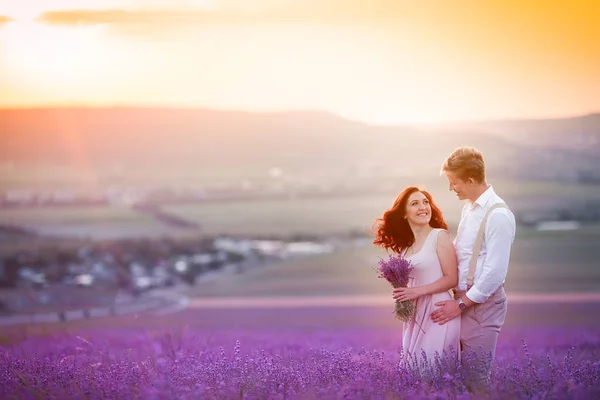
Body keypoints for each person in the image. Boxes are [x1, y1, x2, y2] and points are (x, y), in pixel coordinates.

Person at [431, 146, 516, 393]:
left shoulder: (498, 215)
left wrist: (459, 305)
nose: (450, 188)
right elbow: (461, 251)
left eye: (453, 182)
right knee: (452, 379)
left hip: (481, 306)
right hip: (461, 302)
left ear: (470, 180)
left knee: (476, 381)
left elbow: (495, 273)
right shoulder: (469, 207)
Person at [373, 186, 460, 371]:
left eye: (425, 202)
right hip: (415, 317)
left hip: (439, 313)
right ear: (404, 213)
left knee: (433, 373)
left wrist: (416, 291)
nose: (423, 207)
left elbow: (452, 279)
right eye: (415, 203)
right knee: (413, 374)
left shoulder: (439, 236)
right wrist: (402, 293)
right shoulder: (405, 248)